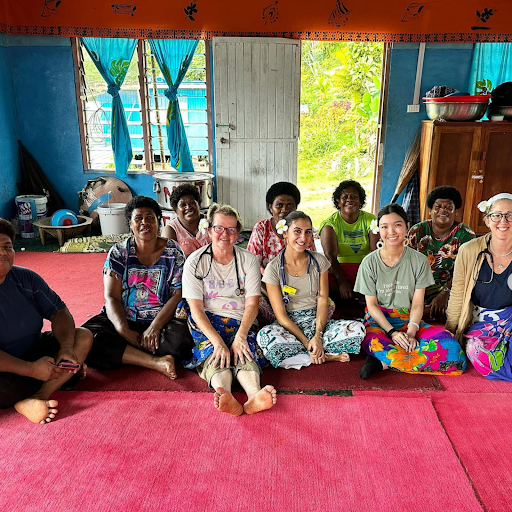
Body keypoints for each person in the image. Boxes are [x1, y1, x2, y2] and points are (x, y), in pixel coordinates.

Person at [83, 196, 193, 379]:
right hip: (125, 317)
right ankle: (155, 361)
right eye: (138, 218)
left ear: (159, 221)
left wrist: (155, 327)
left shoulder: (173, 251)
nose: (145, 223)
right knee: (86, 339)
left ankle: (128, 352)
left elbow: (178, 294)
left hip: (162, 320)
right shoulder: (119, 252)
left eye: (150, 217)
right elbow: (111, 297)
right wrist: (123, 330)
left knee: (182, 341)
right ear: (130, 224)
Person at [182, 204, 277, 416]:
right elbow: (195, 309)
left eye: (231, 229)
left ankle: (254, 394)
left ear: (238, 233)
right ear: (208, 230)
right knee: (215, 354)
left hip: (241, 320)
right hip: (207, 320)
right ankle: (224, 393)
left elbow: (252, 303)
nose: (225, 234)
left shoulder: (249, 261)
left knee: (245, 351)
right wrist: (217, 342)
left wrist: (241, 336)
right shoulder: (195, 262)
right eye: (219, 228)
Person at [354, 204, 467, 379]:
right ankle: (393, 356)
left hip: (410, 321)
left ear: (407, 226)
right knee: (372, 341)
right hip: (378, 323)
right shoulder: (369, 263)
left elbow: (417, 303)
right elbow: (372, 305)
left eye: (397, 225)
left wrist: (411, 333)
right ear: (379, 230)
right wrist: (392, 333)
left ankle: (384, 363)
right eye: (384, 226)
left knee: (452, 349)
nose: (391, 231)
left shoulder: (419, 261)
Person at [0, 218, 92, 424]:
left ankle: (38, 396)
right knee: (4, 388)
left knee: (82, 337)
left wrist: (67, 348)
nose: (3, 253)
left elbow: (59, 312)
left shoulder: (26, 279)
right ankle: (57, 378)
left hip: (34, 351)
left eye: (7, 247)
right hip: (6, 369)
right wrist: (32, 369)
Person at [257, 212, 365, 369]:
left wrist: (318, 335)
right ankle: (323, 355)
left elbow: (323, 299)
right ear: (285, 233)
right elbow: (280, 316)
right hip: (288, 326)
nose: (303, 238)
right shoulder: (273, 268)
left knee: (357, 329)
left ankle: (305, 355)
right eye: (297, 231)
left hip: (317, 320)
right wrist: (308, 341)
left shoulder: (319, 261)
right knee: (266, 338)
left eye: (308, 232)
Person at [446, 193, 512, 381]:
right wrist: (451, 332)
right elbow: (458, 293)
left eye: (510, 215)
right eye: (497, 215)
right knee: (479, 353)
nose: (503, 221)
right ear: (487, 220)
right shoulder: (469, 250)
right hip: (480, 325)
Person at [247, 182, 319, 323]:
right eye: (279, 205)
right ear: (270, 207)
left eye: (290, 205)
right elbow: (251, 269)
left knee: (328, 304)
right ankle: (280, 325)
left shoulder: (302, 230)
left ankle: (300, 324)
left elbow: (312, 265)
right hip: (266, 287)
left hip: (297, 289)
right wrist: (274, 295)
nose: (284, 210)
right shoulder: (261, 228)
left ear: (296, 207)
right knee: (257, 304)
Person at [408, 186, 474, 319]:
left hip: (450, 290)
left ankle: (419, 314)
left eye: (449, 207)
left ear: (456, 212)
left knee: (459, 310)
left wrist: (445, 293)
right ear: (430, 211)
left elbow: (467, 272)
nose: (443, 211)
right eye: (438, 206)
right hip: (416, 287)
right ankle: (422, 313)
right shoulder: (417, 231)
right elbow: (405, 265)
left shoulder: (466, 235)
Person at [319, 180, 378, 304]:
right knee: (321, 279)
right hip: (339, 270)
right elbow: (330, 257)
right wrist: (342, 283)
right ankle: (353, 301)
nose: (349, 200)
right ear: (338, 201)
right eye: (345, 197)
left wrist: (367, 279)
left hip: (365, 269)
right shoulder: (330, 224)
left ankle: (359, 300)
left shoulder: (371, 220)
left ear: (360, 201)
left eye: (354, 197)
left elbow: (375, 253)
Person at [161, 183, 210, 258]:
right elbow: (168, 261)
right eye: (183, 205)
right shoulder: (171, 230)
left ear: (199, 204)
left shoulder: (211, 221)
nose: (188, 207)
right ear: (176, 209)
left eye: (192, 203)